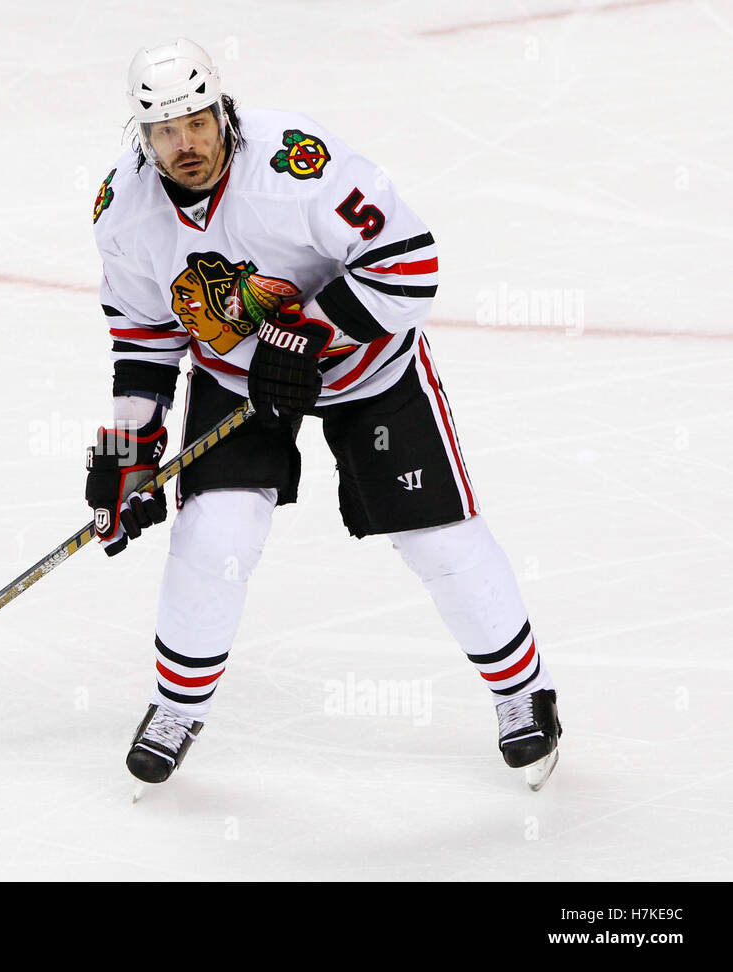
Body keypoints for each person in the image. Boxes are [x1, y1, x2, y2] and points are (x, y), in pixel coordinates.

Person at [85, 38, 563, 791]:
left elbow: (411, 262)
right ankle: (175, 706)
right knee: (216, 537)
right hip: (240, 381)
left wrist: (306, 332)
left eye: (198, 122)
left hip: (368, 367)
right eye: (167, 131)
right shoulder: (125, 212)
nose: (187, 144)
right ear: (141, 138)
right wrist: (126, 450)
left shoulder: (294, 167)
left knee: (436, 538)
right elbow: (144, 338)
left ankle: (522, 693)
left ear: (223, 111)